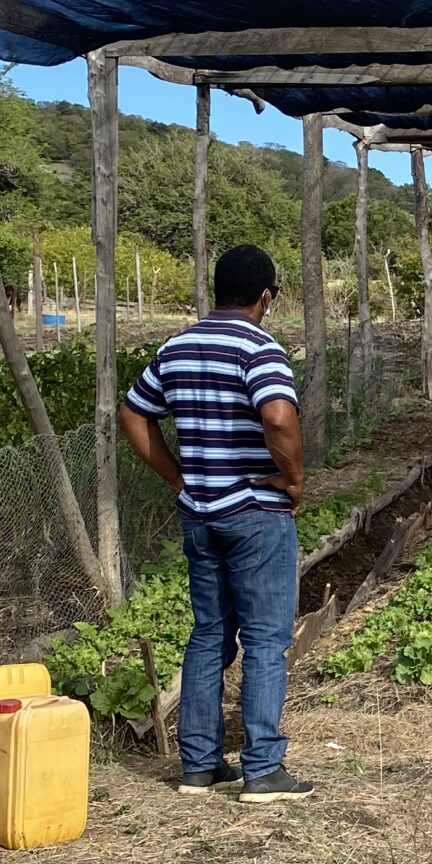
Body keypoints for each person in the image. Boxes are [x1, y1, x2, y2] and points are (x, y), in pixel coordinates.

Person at [118, 244, 314, 804]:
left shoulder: (176, 348)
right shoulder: (260, 349)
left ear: (216, 291)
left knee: (208, 634)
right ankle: (263, 769)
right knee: (265, 639)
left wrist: (176, 476)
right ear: (266, 298)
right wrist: (294, 478)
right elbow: (278, 416)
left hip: (200, 515)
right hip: (255, 513)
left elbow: (133, 412)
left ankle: (199, 767)